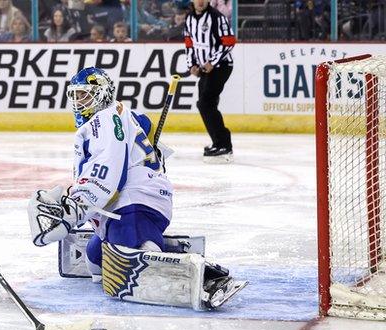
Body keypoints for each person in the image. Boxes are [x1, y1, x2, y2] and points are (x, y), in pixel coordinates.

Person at [27, 67, 246, 310]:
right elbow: (151, 142)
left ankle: (205, 276)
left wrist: (75, 208)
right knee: (95, 262)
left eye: (85, 95)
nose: (79, 102)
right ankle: (157, 245)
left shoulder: (104, 119)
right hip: (137, 200)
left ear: (102, 93)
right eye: (75, 96)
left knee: (138, 258)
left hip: (133, 204)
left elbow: (108, 169)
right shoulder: (127, 114)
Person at [184, 0, 235, 163]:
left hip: (221, 66)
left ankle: (224, 144)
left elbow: (229, 42)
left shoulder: (216, 17)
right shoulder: (189, 18)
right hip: (205, 68)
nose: (200, 1)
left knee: (206, 103)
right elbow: (189, 43)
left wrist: (212, 62)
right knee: (205, 104)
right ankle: (218, 142)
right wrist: (191, 64)